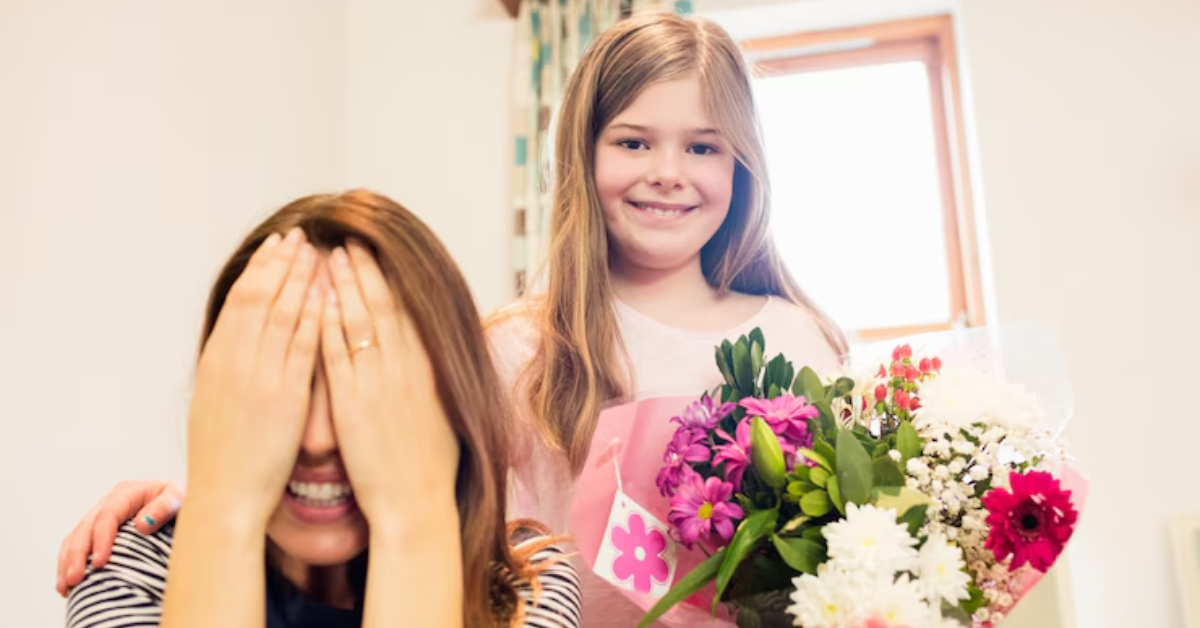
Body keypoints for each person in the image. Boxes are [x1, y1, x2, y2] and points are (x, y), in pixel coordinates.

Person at [56, 12, 846, 628]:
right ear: (581, 156)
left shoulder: (796, 338)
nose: (668, 174)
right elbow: (393, 447)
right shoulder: (516, 347)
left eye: (704, 148)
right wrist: (205, 486)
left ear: (744, 164)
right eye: (634, 141)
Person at [63, 190, 581, 628]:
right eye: (286, 379)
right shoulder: (132, 572)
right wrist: (222, 514)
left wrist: (412, 522)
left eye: (359, 382)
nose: (315, 438)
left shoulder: (526, 587)